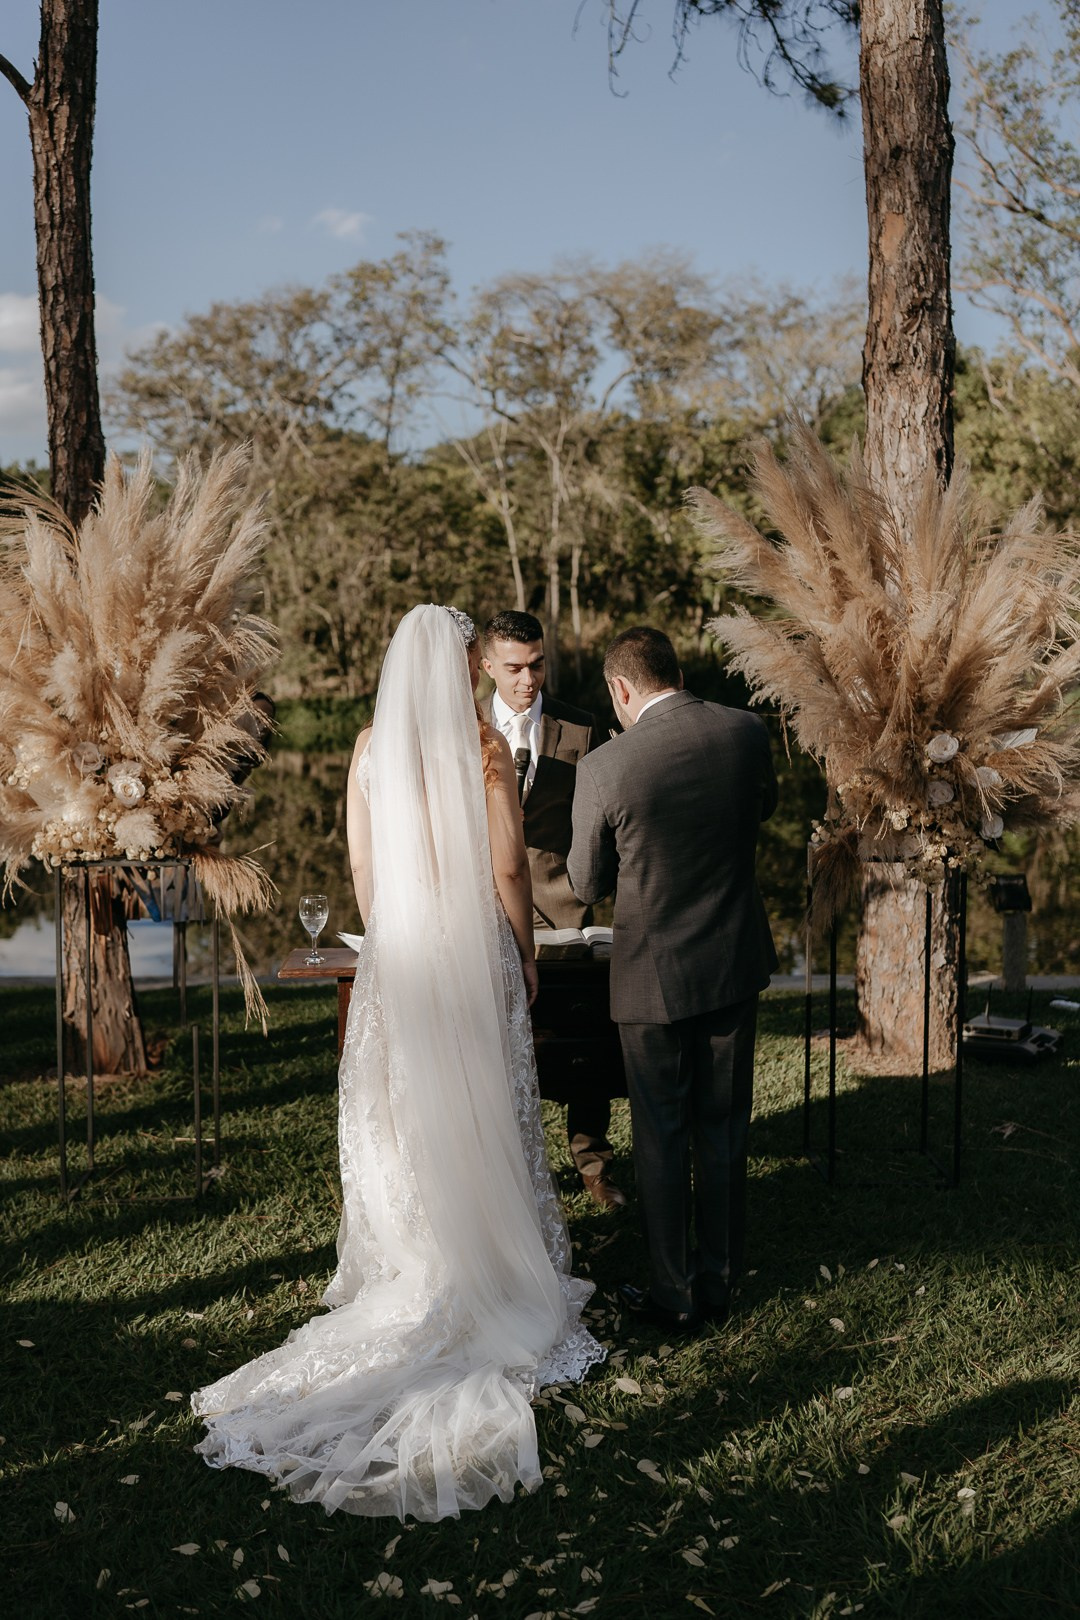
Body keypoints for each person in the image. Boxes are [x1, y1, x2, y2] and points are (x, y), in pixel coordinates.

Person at [192, 606, 603, 1520]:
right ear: (460, 665)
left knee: (405, 1109)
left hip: (400, 950)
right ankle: (483, 1258)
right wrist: (526, 953)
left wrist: (387, 945)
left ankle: (415, 1258)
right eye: (472, 662)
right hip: (470, 943)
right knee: (481, 1097)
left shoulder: (369, 745)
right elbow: (506, 868)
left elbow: (364, 870)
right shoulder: (480, 750)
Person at [567, 626, 778, 1335]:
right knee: (722, 1127)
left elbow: (586, 880)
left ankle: (673, 1295)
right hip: (733, 961)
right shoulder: (746, 732)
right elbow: (764, 808)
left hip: (653, 979)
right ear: (676, 672)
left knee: (661, 1135)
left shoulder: (605, 766)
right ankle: (719, 1282)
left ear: (622, 689)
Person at [480, 610, 626, 1211]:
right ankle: (508, 1169)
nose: (528, 679)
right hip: (487, 906)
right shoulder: (463, 728)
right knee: (497, 1045)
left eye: (538, 664)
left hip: (568, 906)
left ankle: (593, 1165)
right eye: (514, 667)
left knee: (585, 1043)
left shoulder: (583, 726)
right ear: (487, 665)